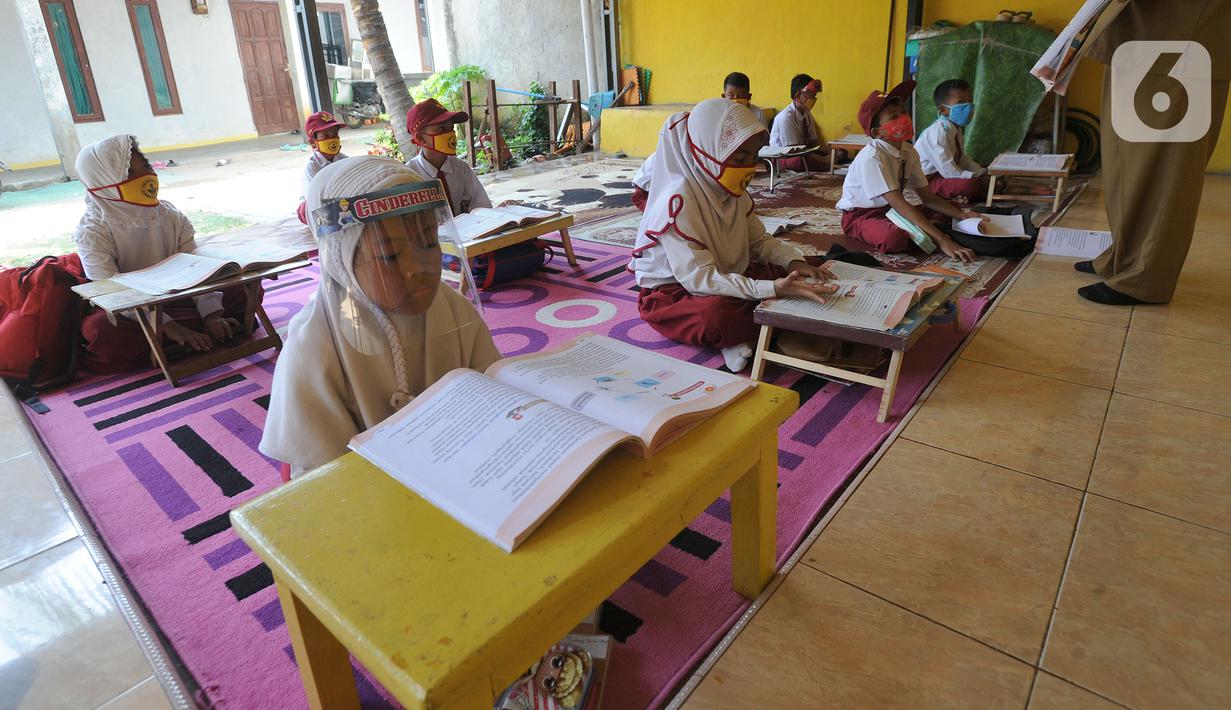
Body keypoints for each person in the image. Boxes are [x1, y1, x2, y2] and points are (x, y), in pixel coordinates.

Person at [260, 156, 500, 476]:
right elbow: (321, 476)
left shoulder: (454, 309)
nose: (417, 268)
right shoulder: (314, 344)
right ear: (341, 259)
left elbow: (495, 395)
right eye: (389, 255)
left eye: (429, 243)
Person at [630, 99, 836, 372]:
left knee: (806, 269)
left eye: (754, 157)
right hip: (676, 292)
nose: (749, 167)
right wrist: (772, 288)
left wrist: (793, 262)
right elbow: (698, 279)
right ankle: (750, 328)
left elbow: (759, 241)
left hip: (724, 273)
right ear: (706, 152)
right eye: (739, 159)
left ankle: (763, 324)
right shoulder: (677, 201)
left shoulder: (727, 187)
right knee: (716, 316)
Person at [1073, 0, 1230, 305]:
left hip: (1183, 33)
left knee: (1165, 167)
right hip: (1137, 27)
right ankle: (1124, 257)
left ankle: (1146, 276)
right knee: (1123, 161)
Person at [74, 135, 248, 373]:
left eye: (145, 167)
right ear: (102, 180)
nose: (145, 177)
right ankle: (178, 335)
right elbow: (109, 292)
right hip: (135, 311)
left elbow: (198, 267)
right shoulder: (92, 231)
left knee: (243, 287)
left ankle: (180, 337)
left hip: (182, 295)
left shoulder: (171, 215)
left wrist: (211, 313)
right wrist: (168, 326)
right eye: (129, 173)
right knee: (98, 330)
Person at [836, 81, 979, 261]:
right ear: (878, 133)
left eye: (903, 111)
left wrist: (963, 215)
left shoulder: (908, 151)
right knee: (894, 238)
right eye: (894, 117)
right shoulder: (873, 157)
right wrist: (942, 240)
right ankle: (923, 230)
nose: (903, 118)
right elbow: (899, 203)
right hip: (860, 215)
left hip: (890, 211)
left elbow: (928, 198)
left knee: (951, 210)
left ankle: (921, 229)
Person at [405, 98, 492, 216]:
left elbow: (482, 206)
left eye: (451, 128)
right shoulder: (409, 177)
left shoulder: (461, 168)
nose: (450, 134)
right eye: (441, 129)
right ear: (421, 138)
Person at [914, 78, 987, 204]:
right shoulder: (938, 132)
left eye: (970, 101)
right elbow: (948, 169)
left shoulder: (955, 128)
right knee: (969, 185)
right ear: (944, 110)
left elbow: (962, 160)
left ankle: (960, 195)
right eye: (961, 102)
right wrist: (975, 177)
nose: (968, 106)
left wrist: (981, 172)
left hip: (943, 175)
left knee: (986, 168)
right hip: (927, 182)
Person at [769, 73, 829, 171]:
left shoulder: (807, 114)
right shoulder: (786, 117)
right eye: (810, 95)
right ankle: (824, 164)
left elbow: (814, 143)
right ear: (797, 95)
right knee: (799, 161)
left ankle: (825, 164)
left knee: (838, 152)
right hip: (785, 156)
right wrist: (824, 159)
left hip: (803, 152)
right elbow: (794, 150)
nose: (813, 99)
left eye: (814, 95)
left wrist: (831, 152)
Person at [297, 111, 347, 224]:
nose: (332, 139)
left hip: (339, 201)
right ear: (313, 143)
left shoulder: (344, 159)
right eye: (325, 136)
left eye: (335, 135)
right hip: (314, 204)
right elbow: (315, 197)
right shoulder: (312, 166)